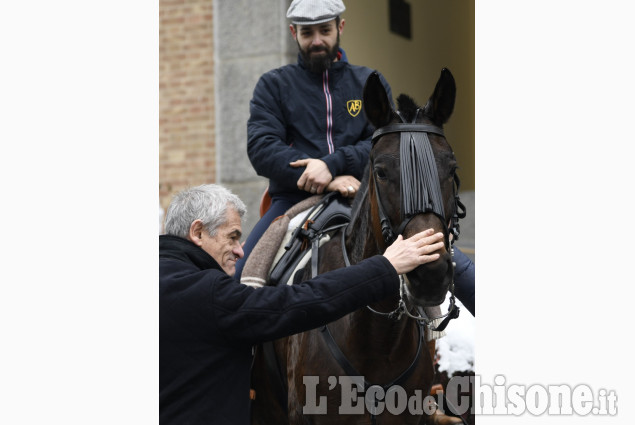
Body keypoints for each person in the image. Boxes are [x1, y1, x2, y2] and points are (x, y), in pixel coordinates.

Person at [160, 184, 445, 425]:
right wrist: (385, 266)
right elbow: (292, 304)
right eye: (232, 237)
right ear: (198, 233)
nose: (239, 249)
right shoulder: (206, 293)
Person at [234, 0, 394, 280]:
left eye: (324, 30)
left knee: (437, 260)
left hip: (366, 194)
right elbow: (262, 148)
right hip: (291, 198)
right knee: (238, 277)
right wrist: (325, 178)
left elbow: (385, 142)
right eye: (307, 33)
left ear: (340, 27)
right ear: (294, 32)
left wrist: (333, 163)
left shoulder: (370, 81)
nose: (317, 40)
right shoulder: (273, 85)